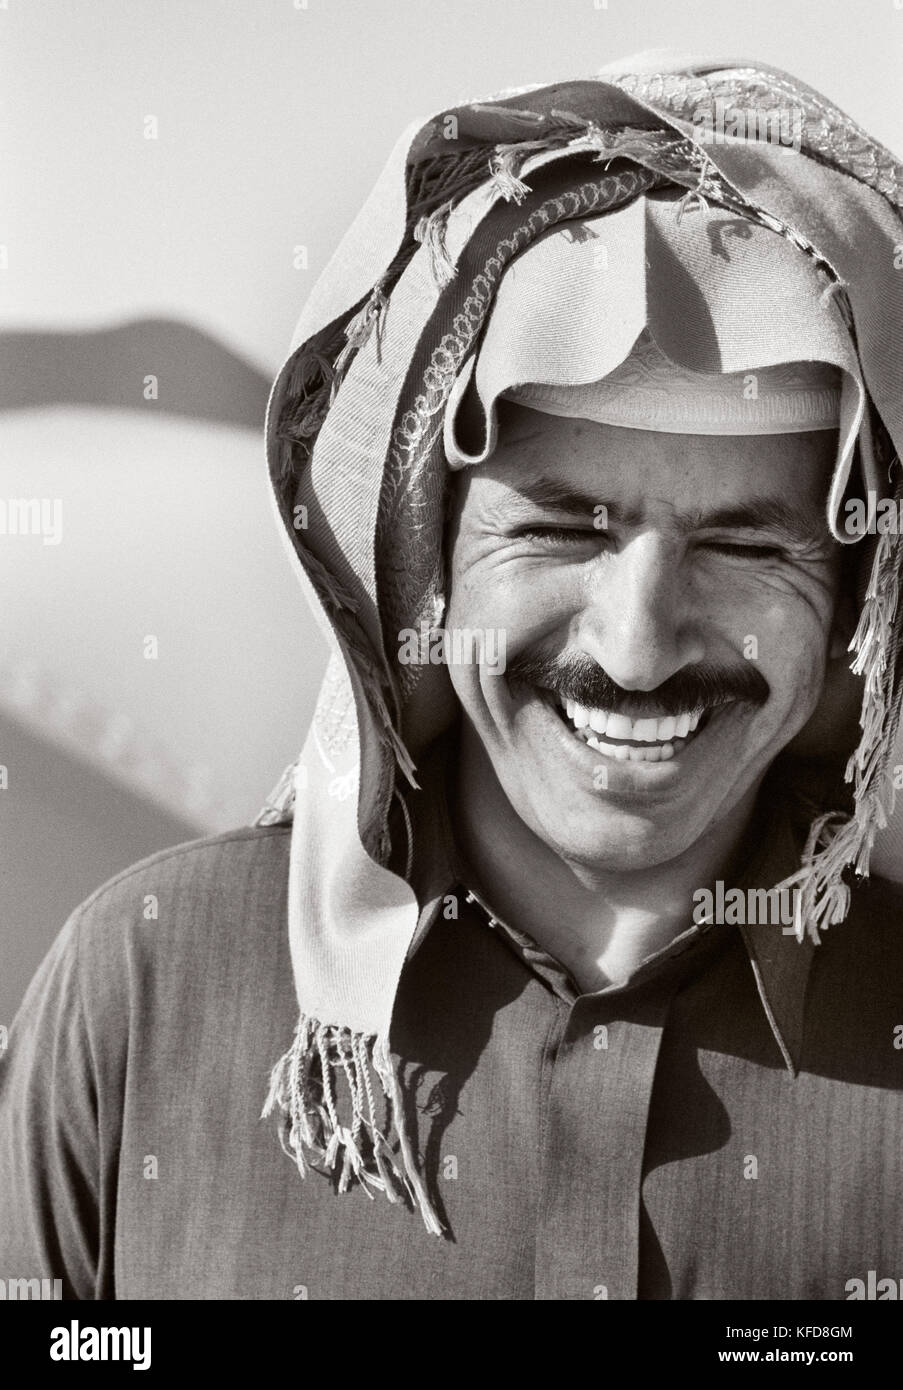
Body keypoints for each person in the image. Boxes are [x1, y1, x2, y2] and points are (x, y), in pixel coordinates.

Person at [2, 54, 903, 1301]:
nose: (638, 649)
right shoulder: (148, 990)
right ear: (426, 564)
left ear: (862, 590)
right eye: (562, 526)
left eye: (747, 544)